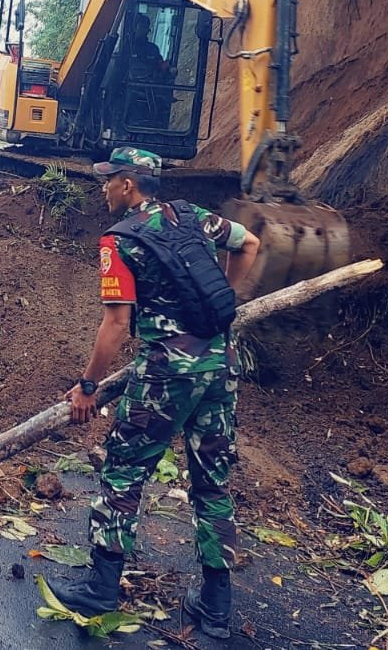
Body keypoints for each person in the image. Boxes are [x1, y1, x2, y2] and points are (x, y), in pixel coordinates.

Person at [50, 147, 260, 641]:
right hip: (220, 364)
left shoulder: (119, 240)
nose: (103, 188)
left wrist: (88, 387)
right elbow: (248, 243)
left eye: (108, 180)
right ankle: (216, 608)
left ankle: (101, 588)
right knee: (212, 482)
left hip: (167, 375)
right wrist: (221, 303)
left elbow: (116, 324)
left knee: (124, 470)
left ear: (128, 185)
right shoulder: (193, 216)